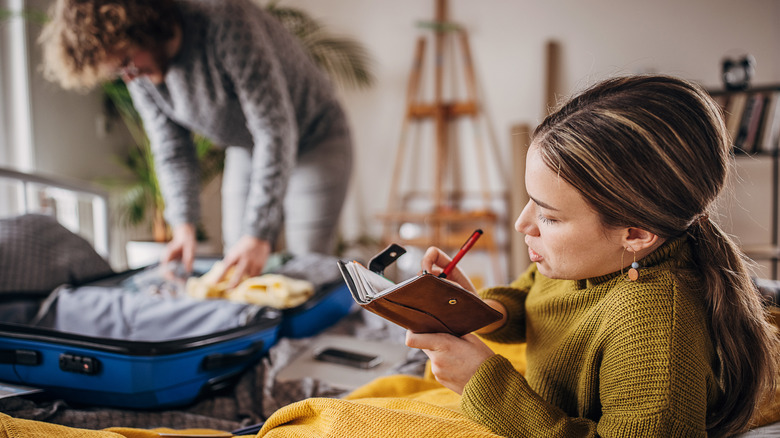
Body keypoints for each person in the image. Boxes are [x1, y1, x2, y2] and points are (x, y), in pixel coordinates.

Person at [404, 75, 780, 437]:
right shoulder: (588, 259)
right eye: (531, 203)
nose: (523, 224)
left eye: (549, 216)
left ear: (634, 234)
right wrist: (475, 309)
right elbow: (534, 300)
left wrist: (485, 385)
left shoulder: (654, 330)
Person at [39, 0, 352, 287]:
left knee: (307, 263)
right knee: (236, 261)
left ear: (142, 27)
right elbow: (171, 148)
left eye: (127, 62)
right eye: (121, 71)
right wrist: (183, 225)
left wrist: (259, 233)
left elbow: (274, 127)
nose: (130, 77)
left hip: (315, 138)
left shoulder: (223, 18)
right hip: (248, 146)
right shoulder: (139, 74)